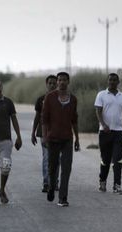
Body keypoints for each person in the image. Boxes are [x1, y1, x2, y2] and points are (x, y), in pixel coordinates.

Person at [42, 72, 80, 207]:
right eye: (60, 80)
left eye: (64, 80)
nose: (62, 82)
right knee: (52, 168)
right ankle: (51, 188)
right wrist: (45, 137)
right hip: (52, 139)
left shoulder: (73, 99)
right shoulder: (50, 97)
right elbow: (44, 119)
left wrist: (77, 139)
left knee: (66, 168)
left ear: (68, 82)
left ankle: (63, 197)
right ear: (57, 82)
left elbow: (74, 121)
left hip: (67, 139)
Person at [94, 73, 122, 195]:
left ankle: (117, 186)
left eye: (115, 80)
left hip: (118, 132)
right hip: (105, 132)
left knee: (118, 159)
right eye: (110, 80)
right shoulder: (101, 95)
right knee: (105, 160)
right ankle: (102, 182)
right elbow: (98, 112)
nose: (112, 82)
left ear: (118, 82)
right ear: (107, 81)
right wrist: (103, 125)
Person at [31, 75, 58, 193]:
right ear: (46, 84)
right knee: (47, 158)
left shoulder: (61, 98)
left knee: (57, 159)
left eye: (54, 83)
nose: (52, 85)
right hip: (44, 133)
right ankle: (46, 182)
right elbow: (37, 117)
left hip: (58, 132)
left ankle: (55, 182)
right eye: (50, 83)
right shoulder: (41, 99)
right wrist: (33, 132)